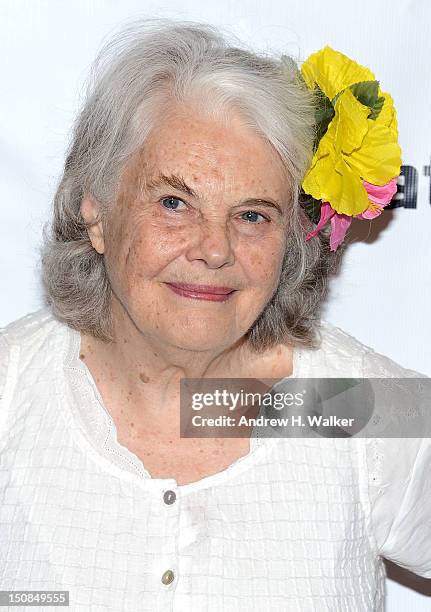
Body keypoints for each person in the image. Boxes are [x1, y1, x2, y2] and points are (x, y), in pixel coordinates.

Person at [0, 18, 429, 612]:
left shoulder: (348, 401)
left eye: (253, 215)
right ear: (96, 212)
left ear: (291, 239)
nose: (215, 248)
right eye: (174, 203)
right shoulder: (10, 391)